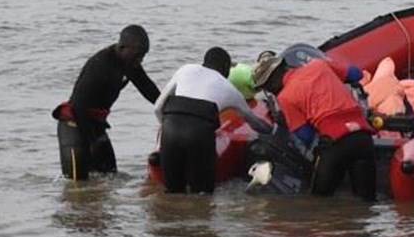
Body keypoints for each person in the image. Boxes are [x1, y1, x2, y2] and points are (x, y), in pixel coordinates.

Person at [251, 51, 377, 201]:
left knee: (319, 201)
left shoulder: (285, 97)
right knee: (366, 200)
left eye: (266, 88)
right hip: (363, 138)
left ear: (271, 83)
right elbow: (356, 74)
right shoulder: (319, 65)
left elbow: (305, 135)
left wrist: (288, 122)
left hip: (334, 143)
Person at [52, 24, 160, 181]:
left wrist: (168, 107)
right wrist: (92, 140)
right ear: (122, 48)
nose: (140, 60)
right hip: (74, 125)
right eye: (137, 55)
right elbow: (78, 106)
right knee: (76, 186)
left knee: (110, 177)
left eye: (143, 56)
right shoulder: (101, 64)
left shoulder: (130, 63)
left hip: (96, 125)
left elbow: (147, 88)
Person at [153, 47, 264, 194]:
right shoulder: (229, 89)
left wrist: (166, 131)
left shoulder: (186, 69)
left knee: (173, 192)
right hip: (200, 134)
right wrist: (271, 129)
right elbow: (254, 122)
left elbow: (158, 108)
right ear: (226, 69)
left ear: (204, 62)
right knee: (202, 195)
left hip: (170, 130)